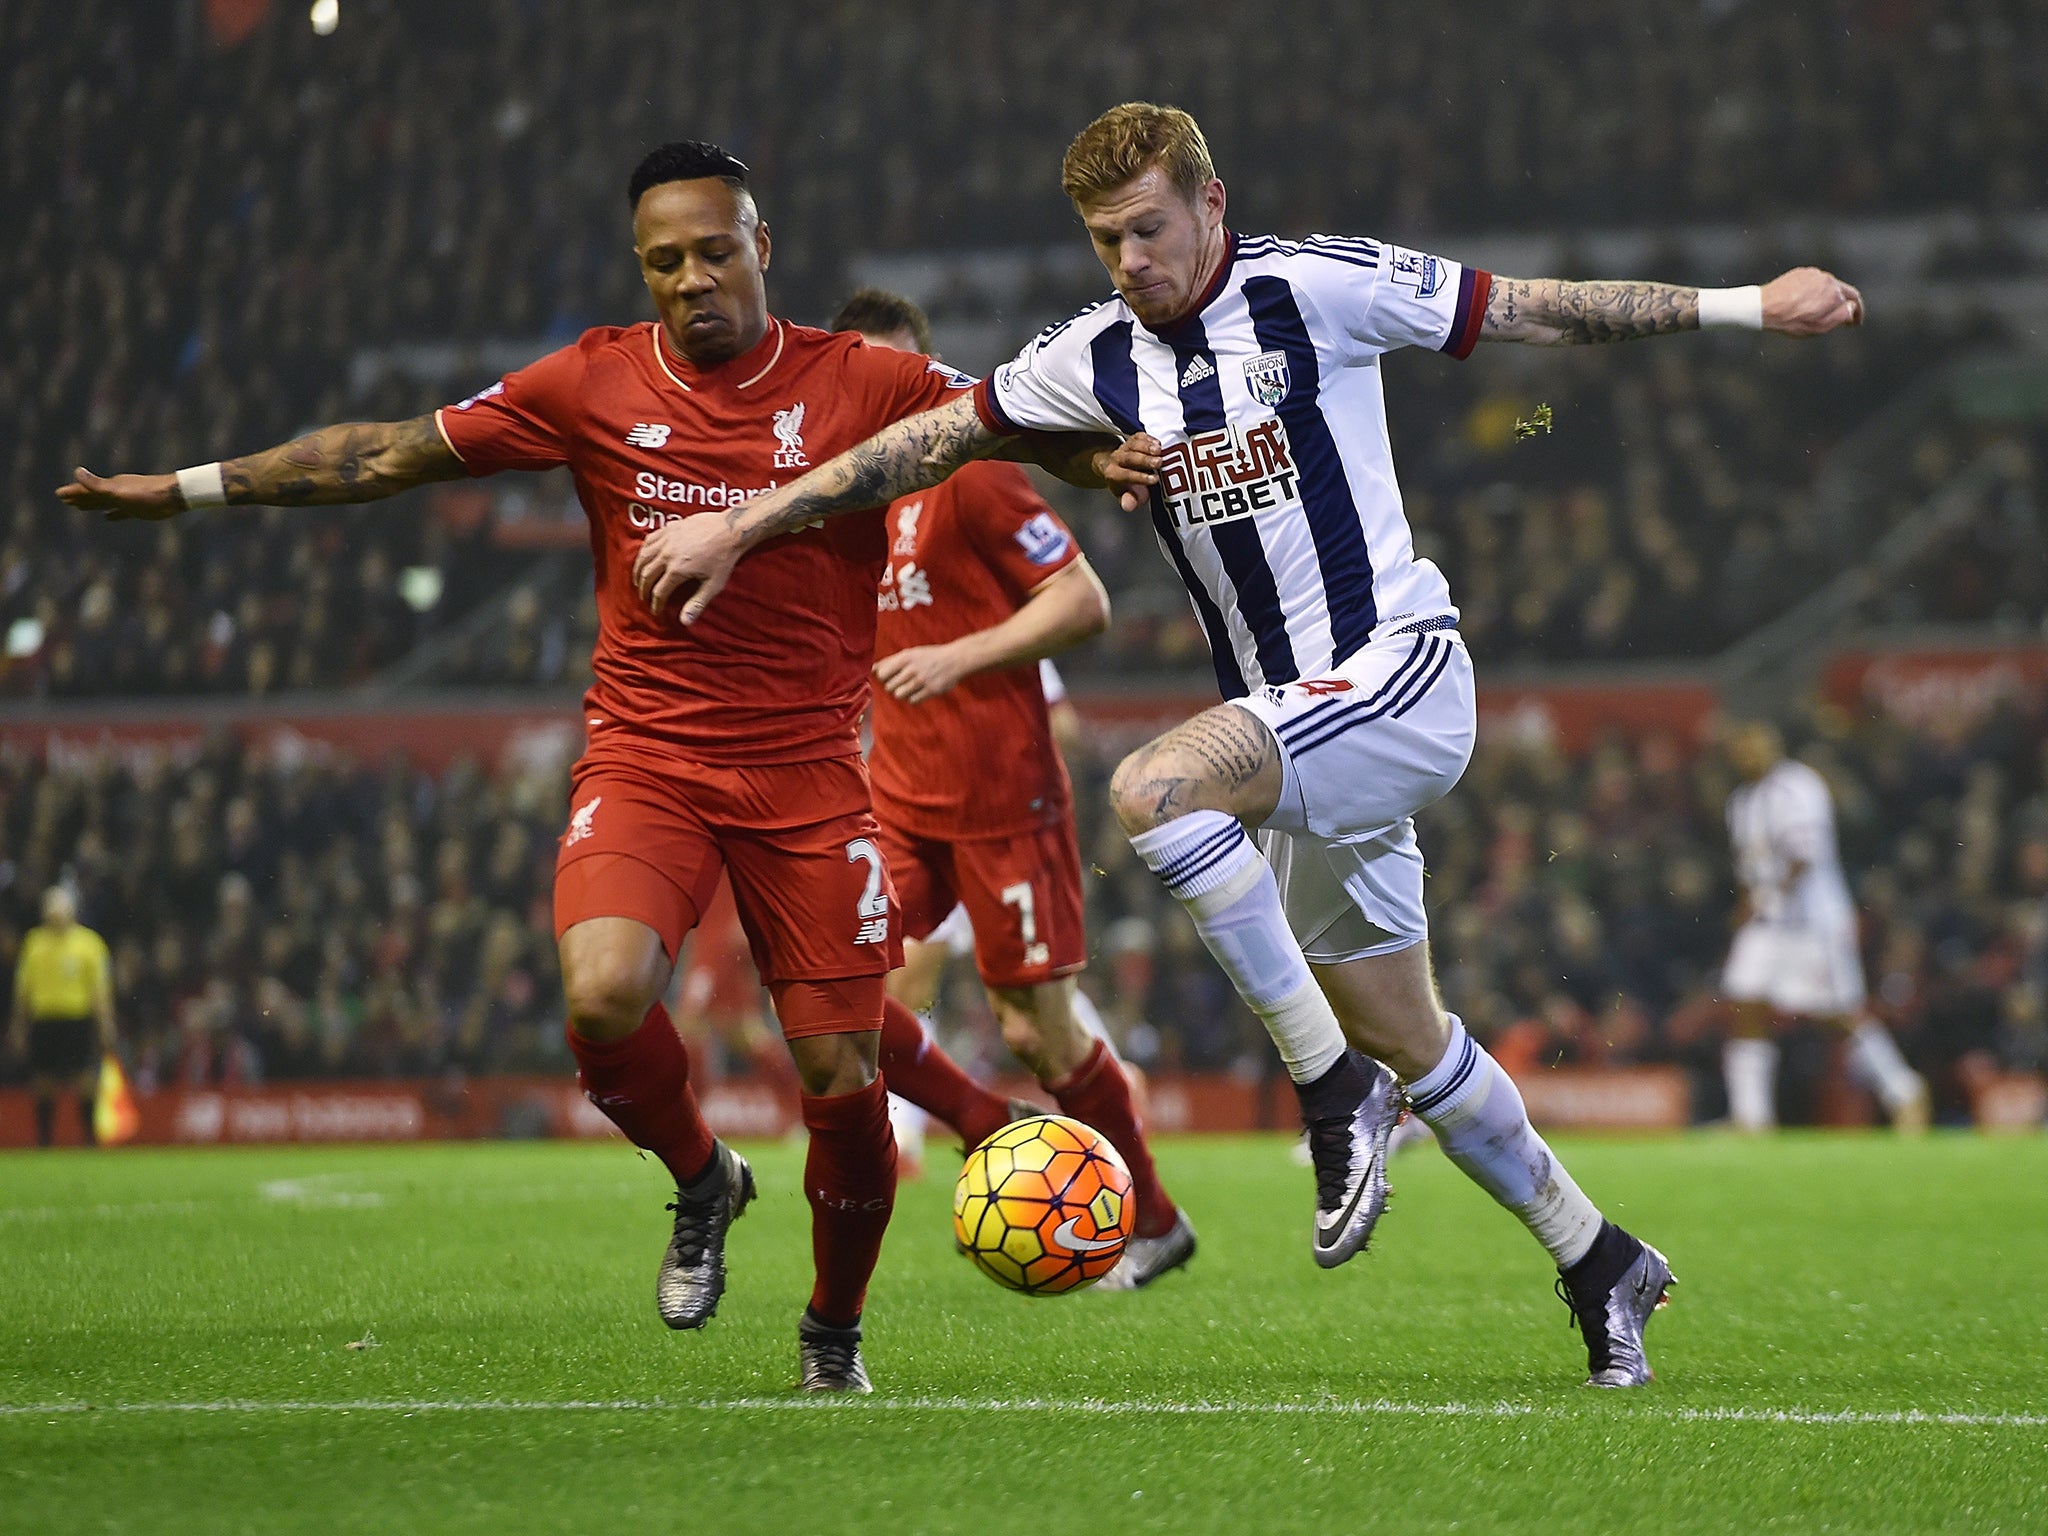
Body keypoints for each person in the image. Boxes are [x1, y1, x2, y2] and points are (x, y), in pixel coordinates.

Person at [632, 103, 1867, 1387]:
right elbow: (922, 445)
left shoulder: (1316, 287)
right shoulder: (1090, 356)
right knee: (1417, 1037)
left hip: (1398, 670)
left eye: (1150, 229)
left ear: (1211, 207)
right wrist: (748, 524)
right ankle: (1599, 1258)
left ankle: (1328, 1095)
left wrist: (1744, 305)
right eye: (1106, 239)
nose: (1130, 261)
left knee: (1154, 790)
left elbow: (1529, 307)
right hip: (1296, 746)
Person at [59, 140, 1118, 1394]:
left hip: (811, 777)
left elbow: (1006, 413)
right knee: (604, 996)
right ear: (639, 267)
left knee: (841, 1076)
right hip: (650, 753)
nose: (691, 279)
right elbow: (384, 455)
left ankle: (831, 1330)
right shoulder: (591, 381)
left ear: (760, 248)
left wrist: (1089, 457)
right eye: (663, 261)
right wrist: (185, 493)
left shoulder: (861, 378)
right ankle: (701, 1179)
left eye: (715, 252)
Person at [832, 289, 1193, 1287]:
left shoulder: (973, 479)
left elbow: (1083, 601)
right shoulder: (844, 498)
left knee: (1037, 1028)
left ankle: (1154, 1220)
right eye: (868, 381)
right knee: (832, 982)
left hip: (1002, 803)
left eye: (906, 378)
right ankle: (981, 1124)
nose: (890, 399)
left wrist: (958, 659)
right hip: (898, 802)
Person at [1720, 721, 1929, 1132]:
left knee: (1836, 1015)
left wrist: (1768, 899)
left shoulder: (1798, 786)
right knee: (1743, 1001)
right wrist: (1748, 905)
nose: (1749, 755)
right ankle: (1751, 1118)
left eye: (1755, 745)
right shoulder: (1741, 802)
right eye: (1741, 749)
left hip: (1813, 922)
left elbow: (1804, 855)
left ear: (1771, 745)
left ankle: (1903, 1089)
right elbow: (1749, 866)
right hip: (1769, 923)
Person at [10, 887, 115, 1147]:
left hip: (77, 1019)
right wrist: (19, 1027)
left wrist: (105, 1025)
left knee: (85, 1079)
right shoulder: (34, 944)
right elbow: (23, 991)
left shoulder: (89, 944)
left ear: (72, 911)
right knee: (42, 1081)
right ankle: (44, 1139)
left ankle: (88, 1138)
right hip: (44, 1020)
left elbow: (99, 991)